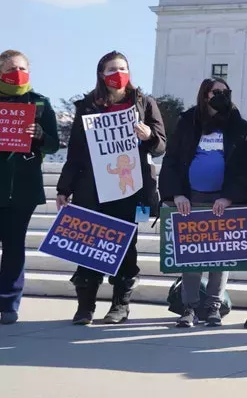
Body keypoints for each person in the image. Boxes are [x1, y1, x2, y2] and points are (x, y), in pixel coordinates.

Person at [56, 51, 166, 325]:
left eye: (123, 68)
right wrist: (64, 187)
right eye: (112, 69)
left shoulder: (144, 103)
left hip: (129, 188)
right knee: (89, 245)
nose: (118, 73)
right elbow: (76, 151)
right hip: (92, 188)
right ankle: (85, 307)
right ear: (101, 74)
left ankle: (120, 306)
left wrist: (149, 136)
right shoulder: (87, 106)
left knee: (126, 247)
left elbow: (162, 144)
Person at [158, 77, 247, 327]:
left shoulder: (240, 127)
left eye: (225, 92)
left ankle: (214, 305)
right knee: (192, 255)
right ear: (205, 95)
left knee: (221, 256)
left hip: (224, 200)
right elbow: (172, 160)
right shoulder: (188, 122)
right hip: (192, 198)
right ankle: (189, 307)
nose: (220, 96)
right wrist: (176, 194)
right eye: (216, 92)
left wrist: (230, 197)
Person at [0, 50, 60, 325]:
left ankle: (9, 304)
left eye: (23, 68)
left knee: (14, 247)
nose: (18, 73)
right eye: (12, 68)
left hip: (22, 189)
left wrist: (39, 135)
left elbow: (53, 144)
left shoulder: (41, 103)